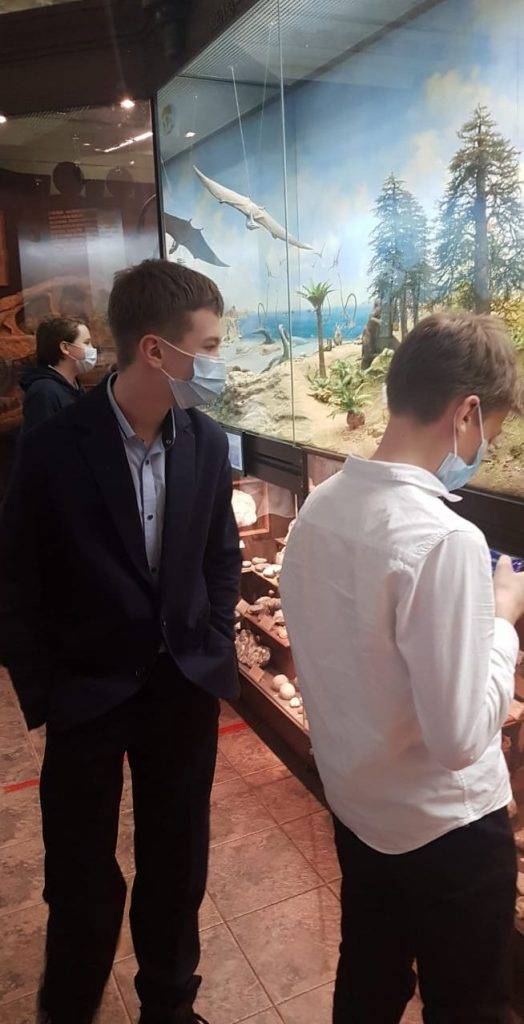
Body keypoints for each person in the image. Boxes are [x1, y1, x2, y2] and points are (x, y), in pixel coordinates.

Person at [0, 259, 241, 1024]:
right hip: (87, 693)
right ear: (155, 351)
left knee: (178, 863)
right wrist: (45, 693)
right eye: (210, 345)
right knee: (80, 878)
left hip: (182, 688)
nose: (220, 361)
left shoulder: (206, 440)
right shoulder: (53, 445)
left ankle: (169, 1006)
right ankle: (68, 1009)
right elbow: (16, 578)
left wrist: (215, 646)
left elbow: (221, 556)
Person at [280, 312, 524, 1024]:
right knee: (469, 1005)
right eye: (492, 432)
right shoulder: (443, 538)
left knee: (369, 978)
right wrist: (501, 619)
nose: (485, 450)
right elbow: (460, 738)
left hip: (361, 812)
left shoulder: (320, 507)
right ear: (467, 412)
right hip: (448, 834)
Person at [20, 316, 97, 431]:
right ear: (65, 347)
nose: (92, 348)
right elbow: (41, 439)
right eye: (86, 343)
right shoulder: (44, 392)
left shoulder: (74, 386)